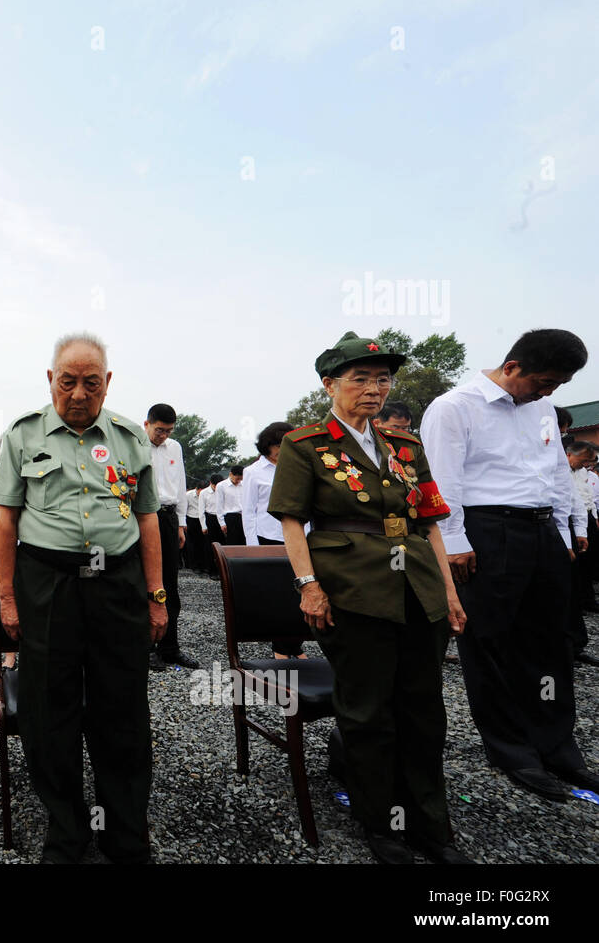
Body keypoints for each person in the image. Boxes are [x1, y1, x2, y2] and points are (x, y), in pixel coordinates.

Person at [268, 331, 470, 864]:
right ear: (330, 384)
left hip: (417, 587)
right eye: (360, 378)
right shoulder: (306, 443)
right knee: (367, 712)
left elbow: (428, 523)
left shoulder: (406, 447)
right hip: (352, 588)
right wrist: (308, 586)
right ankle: (382, 824)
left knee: (424, 711)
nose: (374, 389)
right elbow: (292, 520)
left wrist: (448, 593)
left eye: (382, 379)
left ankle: (432, 826)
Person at [0, 332, 167, 864]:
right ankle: (66, 829)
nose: (78, 393)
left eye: (91, 383)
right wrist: (6, 596)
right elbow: (5, 519)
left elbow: (147, 518)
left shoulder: (130, 438)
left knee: (123, 708)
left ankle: (124, 831)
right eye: (67, 381)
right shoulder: (23, 436)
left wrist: (157, 596)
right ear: (51, 380)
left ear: (107, 384)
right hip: (48, 584)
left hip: (117, 583)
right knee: (50, 710)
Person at [424, 328, 599, 802]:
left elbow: (557, 471)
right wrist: (456, 541)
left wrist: (562, 531)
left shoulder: (540, 408)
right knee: (492, 642)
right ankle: (510, 747)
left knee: (551, 642)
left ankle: (556, 744)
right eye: (544, 381)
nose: (550, 392)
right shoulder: (454, 407)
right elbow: (442, 481)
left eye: (559, 385)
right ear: (513, 367)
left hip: (541, 531)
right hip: (486, 532)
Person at [242, 420, 301, 658]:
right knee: (277, 595)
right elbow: (248, 511)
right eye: (278, 445)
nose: (281, 450)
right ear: (267, 446)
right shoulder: (253, 472)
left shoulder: (298, 467)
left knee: (301, 592)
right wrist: (252, 547)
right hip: (269, 538)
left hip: (299, 538)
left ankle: (296, 646)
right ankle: (280, 648)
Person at [143, 404, 195, 670]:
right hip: (144, 516)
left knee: (170, 585)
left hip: (170, 516)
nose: (162, 436)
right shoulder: (136, 445)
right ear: (147, 424)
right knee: (147, 582)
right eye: (159, 430)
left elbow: (181, 484)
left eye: (168, 431)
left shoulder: (174, 447)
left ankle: (170, 647)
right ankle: (146, 647)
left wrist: (181, 524)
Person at [565, 441, 596, 665]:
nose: (586, 464)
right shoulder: (556, 468)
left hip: (571, 528)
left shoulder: (578, 473)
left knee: (573, 586)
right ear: (569, 454)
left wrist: (580, 530)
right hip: (554, 528)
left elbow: (579, 500)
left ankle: (576, 645)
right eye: (583, 459)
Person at [215, 465, 244, 544]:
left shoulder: (244, 484)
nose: (238, 481)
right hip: (230, 518)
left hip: (243, 516)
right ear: (231, 474)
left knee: (244, 542)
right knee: (233, 542)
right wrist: (222, 523)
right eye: (237, 478)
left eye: (240, 479)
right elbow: (219, 505)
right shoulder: (221, 486)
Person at [184, 482, 206, 571]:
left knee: (203, 543)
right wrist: (184, 523)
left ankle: (203, 565)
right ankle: (194, 565)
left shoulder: (206, 494)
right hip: (191, 519)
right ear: (197, 489)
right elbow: (184, 509)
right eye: (200, 492)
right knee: (192, 543)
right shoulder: (188, 495)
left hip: (203, 520)